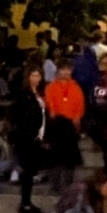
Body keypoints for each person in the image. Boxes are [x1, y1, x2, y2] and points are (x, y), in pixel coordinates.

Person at [11, 65, 49, 213]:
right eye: (33, 76)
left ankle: (27, 200)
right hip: (27, 138)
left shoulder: (40, 93)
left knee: (32, 170)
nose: (36, 79)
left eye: (38, 76)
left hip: (38, 136)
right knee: (27, 171)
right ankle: (25, 203)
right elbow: (21, 118)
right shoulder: (24, 95)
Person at [43, 59, 86, 192]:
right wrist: (54, 117)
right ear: (58, 71)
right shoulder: (51, 87)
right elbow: (49, 104)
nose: (66, 72)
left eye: (68, 69)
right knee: (55, 158)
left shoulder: (76, 87)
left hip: (71, 126)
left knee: (70, 159)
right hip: (56, 125)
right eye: (63, 69)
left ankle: (68, 185)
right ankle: (54, 185)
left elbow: (80, 105)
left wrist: (77, 118)